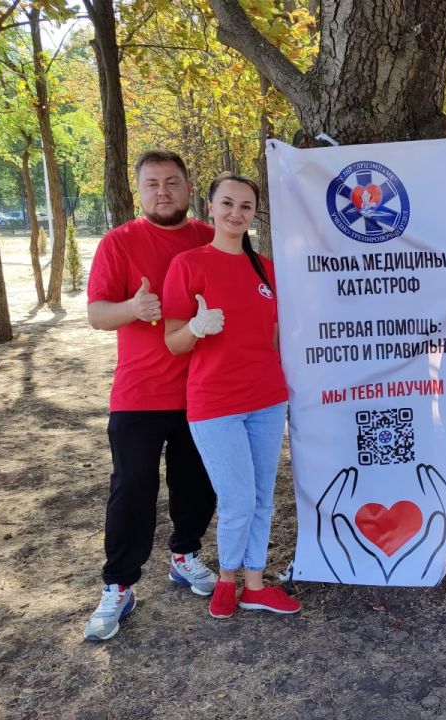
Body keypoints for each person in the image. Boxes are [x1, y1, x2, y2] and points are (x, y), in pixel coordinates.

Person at [84, 151, 218, 642]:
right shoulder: (119, 242)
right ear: (139, 190)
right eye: (153, 184)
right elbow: (97, 314)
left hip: (203, 390)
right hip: (139, 393)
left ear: (188, 186)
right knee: (132, 487)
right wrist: (132, 308)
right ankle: (119, 584)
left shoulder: (211, 237)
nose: (163, 191)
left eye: (172, 182)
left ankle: (185, 555)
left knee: (197, 483)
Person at [162, 173, 300, 619]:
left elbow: (274, 336)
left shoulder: (266, 269)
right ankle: (226, 579)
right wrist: (196, 328)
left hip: (267, 398)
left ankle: (255, 584)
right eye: (227, 203)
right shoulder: (189, 264)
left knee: (262, 497)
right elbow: (173, 342)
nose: (236, 213)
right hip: (216, 403)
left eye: (245, 206)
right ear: (210, 207)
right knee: (237, 500)